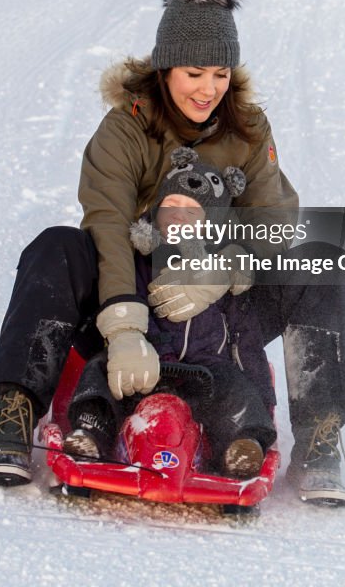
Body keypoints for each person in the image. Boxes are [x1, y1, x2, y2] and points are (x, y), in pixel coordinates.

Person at [0, 0, 345, 505]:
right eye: (193, 72)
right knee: (56, 246)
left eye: (221, 72)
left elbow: (276, 223)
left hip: (221, 311)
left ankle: (320, 438)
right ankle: (15, 414)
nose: (208, 89)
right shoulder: (125, 129)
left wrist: (224, 269)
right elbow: (107, 224)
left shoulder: (248, 128)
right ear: (164, 68)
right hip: (127, 293)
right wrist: (125, 324)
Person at [63, 150, 277, 479]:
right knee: (101, 371)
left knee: (238, 391)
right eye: (171, 206)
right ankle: (89, 433)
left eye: (192, 210)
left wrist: (263, 402)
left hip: (206, 376)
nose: (179, 215)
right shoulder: (138, 262)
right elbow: (113, 300)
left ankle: (243, 447)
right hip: (142, 368)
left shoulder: (222, 281)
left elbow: (245, 343)